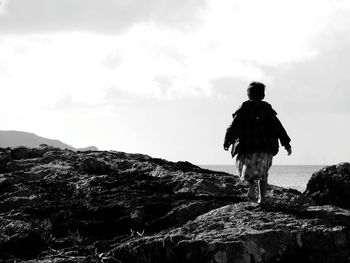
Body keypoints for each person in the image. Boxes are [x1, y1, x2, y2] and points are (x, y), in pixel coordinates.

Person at [223, 81, 292, 204]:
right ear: (263, 95)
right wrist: (286, 144)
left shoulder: (243, 109)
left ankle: (251, 187)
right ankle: (262, 198)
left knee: (248, 169)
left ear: (248, 95)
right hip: (265, 147)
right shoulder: (268, 110)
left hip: (247, 147)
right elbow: (279, 128)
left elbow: (232, 127)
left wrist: (227, 141)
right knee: (263, 173)